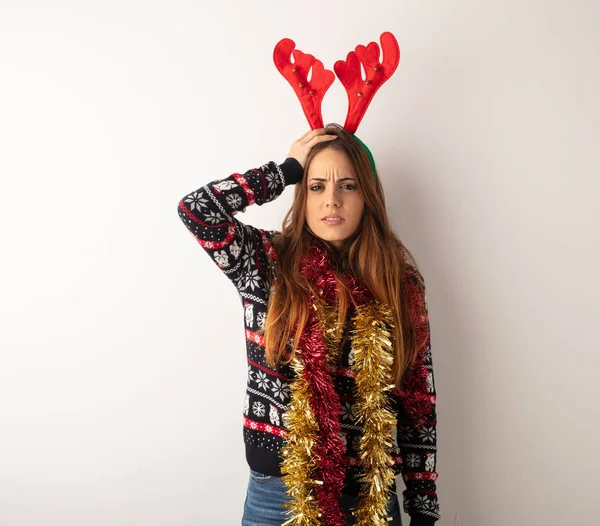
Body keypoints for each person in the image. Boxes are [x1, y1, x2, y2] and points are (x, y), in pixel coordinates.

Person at [177, 125, 441, 526]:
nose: (332, 200)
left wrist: (423, 505)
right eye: (316, 186)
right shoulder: (264, 261)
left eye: (348, 186)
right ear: (302, 196)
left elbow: (418, 400)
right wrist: (284, 170)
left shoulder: (399, 282)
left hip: (371, 498)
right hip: (278, 495)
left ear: (367, 196)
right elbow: (197, 210)